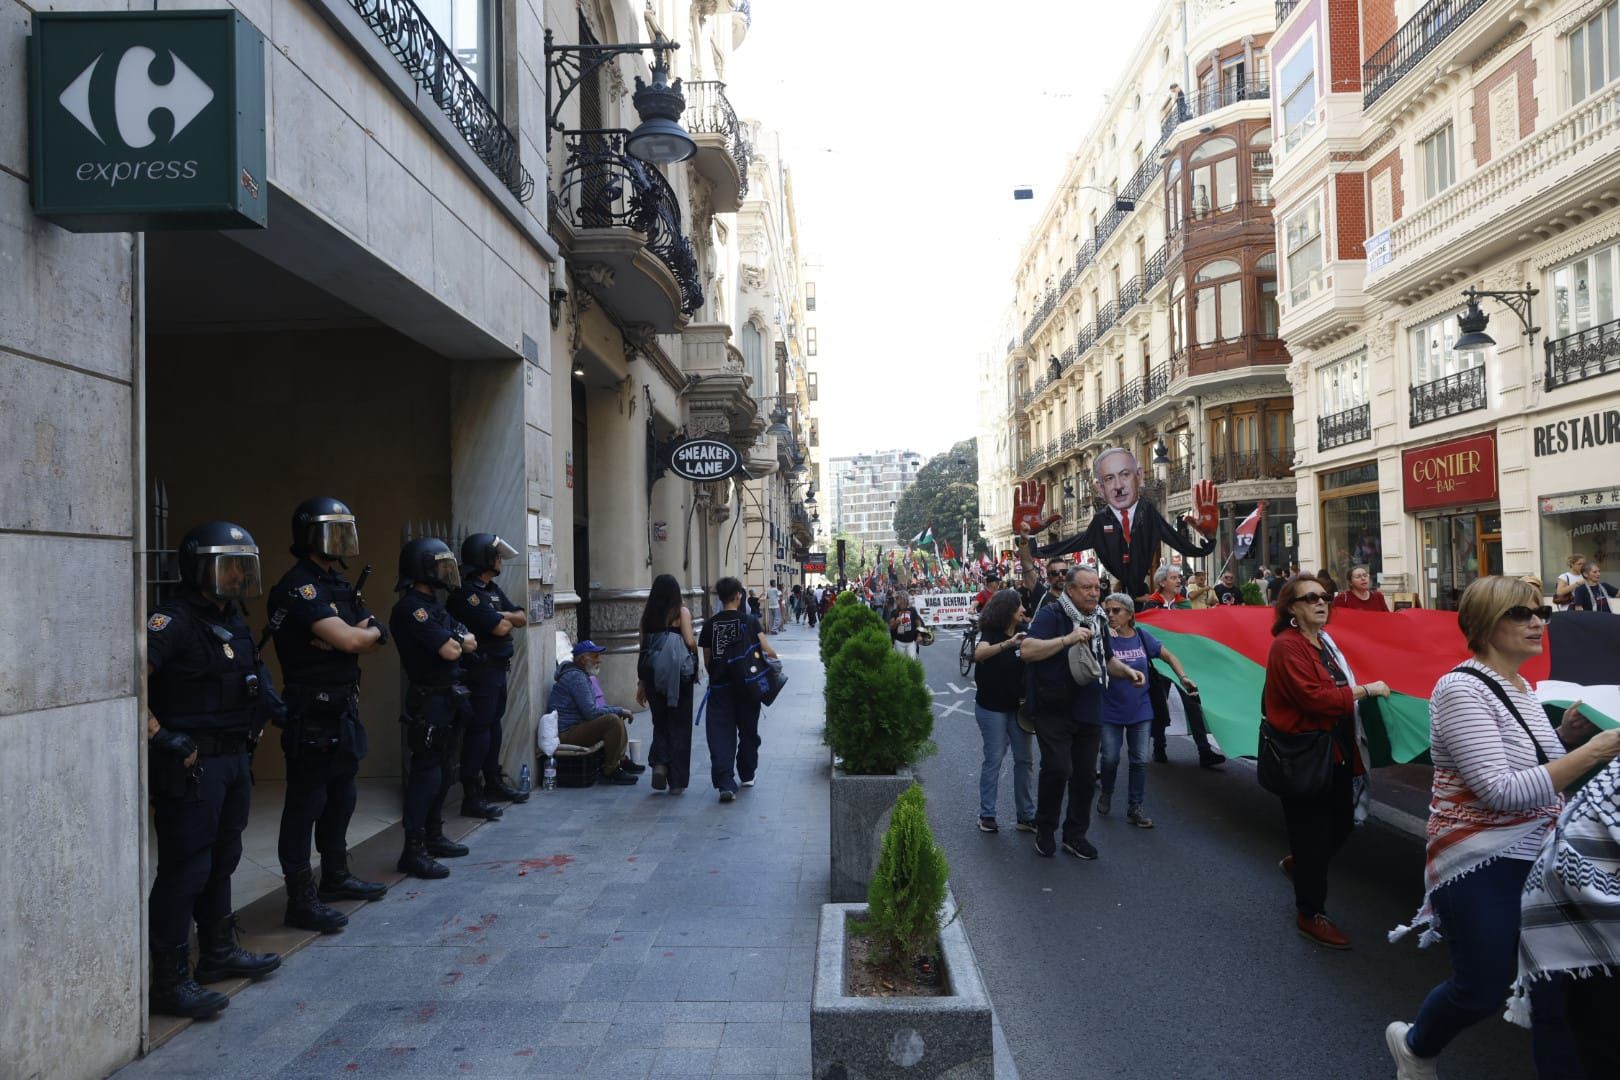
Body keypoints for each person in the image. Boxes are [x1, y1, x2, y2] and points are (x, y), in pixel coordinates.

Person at [1386, 577, 1620, 1079]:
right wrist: (1593, 752)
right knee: (1482, 989)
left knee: (1554, 991)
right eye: (1522, 613)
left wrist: (1563, 737)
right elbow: (1502, 791)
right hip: (1480, 858)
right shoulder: (1459, 689)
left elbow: (1526, 767)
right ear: (1486, 623)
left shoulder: (1522, 687)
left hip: (1543, 858)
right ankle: (1415, 1045)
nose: (1538, 623)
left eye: (1542, 614)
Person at [145, 521, 283, 1018]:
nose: (236, 578)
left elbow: (253, 676)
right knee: (187, 868)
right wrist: (159, 736)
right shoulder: (172, 622)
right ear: (199, 569)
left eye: (243, 569)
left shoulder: (234, 618)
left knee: (224, 857)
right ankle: (168, 981)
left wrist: (277, 711)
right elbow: (130, 681)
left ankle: (218, 953)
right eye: (228, 568)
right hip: (191, 763)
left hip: (231, 759)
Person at [266, 497, 388, 936]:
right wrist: (356, 636)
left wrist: (357, 634)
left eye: (344, 530)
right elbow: (359, 641)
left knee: (342, 798)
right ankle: (300, 899)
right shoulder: (299, 587)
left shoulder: (337, 584)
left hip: (342, 708)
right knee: (305, 805)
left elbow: (371, 633)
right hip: (311, 711)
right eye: (331, 531)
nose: (341, 540)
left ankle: (335, 877)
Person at [1263, 574, 1390, 950]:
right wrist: (1366, 690)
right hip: (1304, 756)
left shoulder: (1325, 643)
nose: (1322, 602)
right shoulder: (1287, 647)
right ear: (1292, 609)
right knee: (1311, 832)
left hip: (1336, 752)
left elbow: (1336, 688)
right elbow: (1315, 698)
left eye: (1325, 597)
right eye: (1311, 598)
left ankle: (1302, 863)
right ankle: (1310, 912)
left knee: (1344, 820)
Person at [1020, 566, 1144, 860]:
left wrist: (1127, 672)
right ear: (1070, 590)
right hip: (1054, 709)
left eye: (1096, 588)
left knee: (1086, 777)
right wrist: (1067, 639)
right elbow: (1027, 650)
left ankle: (1075, 835)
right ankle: (1046, 829)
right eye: (1086, 588)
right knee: (1058, 769)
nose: (1093, 593)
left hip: (1089, 708)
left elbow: (1107, 661)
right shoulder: (1052, 615)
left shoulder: (1100, 620)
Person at [390, 537, 479, 880]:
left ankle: (434, 834)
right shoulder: (412, 608)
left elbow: (469, 641)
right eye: (440, 565)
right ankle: (412, 850)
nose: (447, 571)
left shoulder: (436, 606)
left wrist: (456, 640)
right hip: (429, 700)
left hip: (449, 698)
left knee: (443, 770)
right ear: (422, 569)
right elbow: (453, 650)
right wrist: (456, 640)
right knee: (426, 774)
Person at [1016, 449, 1218, 599]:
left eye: (1125, 474)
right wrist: (1029, 538)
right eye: (1110, 478)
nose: (1119, 486)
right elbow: (1068, 544)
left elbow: (1180, 544)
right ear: (1099, 487)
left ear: (1138, 476)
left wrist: (1208, 539)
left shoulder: (1148, 513)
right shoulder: (1101, 521)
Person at [446, 533, 529, 821]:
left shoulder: (491, 589)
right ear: (483, 558)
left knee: (493, 728)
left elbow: (521, 616)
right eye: (495, 555)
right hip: (479, 671)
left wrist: (500, 613)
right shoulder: (468, 593)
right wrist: (503, 618)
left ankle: (493, 783)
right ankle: (472, 794)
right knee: (479, 731)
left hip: (496, 669)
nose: (499, 560)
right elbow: (499, 629)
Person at [1099, 593, 1189, 828]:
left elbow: (1168, 655)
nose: (1110, 615)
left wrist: (1183, 676)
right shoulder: (1103, 639)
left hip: (1141, 708)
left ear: (1130, 614)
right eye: (1107, 610)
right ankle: (1106, 791)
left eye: (1116, 610)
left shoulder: (1141, 636)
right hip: (1110, 709)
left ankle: (1135, 807)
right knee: (1109, 758)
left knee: (1139, 760)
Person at [700, 577, 778, 802]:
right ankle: (747, 772)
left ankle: (725, 781)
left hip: (720, 688)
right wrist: (773, 659)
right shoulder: (750, 621)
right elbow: (767, 650)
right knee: (748, 731)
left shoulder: (709, 625)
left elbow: (707, 660)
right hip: (748, 688)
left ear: (720, 598)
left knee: (720, 735)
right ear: (738, 596)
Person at [972, 588, 1034, 834]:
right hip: (992, 708)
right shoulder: (991, 633)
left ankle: (1026, 816)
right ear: (1008, 609)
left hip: (1018, 709)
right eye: (1019, 606)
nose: (1023, 610)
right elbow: (979, 654)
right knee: (994, 759)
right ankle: (987, 814)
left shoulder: (1027, 632)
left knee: (1025, 760)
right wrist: (1009, 643)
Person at [636, 574, 697, 795]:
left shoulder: (647, 616)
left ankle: (660, 764)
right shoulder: (680, 612)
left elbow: (643, 648)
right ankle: (677, 781)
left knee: (660, 721)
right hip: (677, 676)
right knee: (679, 724)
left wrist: (641, 683)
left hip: (651, 674)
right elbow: (689, 641)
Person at [548, 641, 639, 785]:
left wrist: (618, 710)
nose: (599, 660)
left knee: (615, 717)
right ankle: (610, 771)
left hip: (575, 726)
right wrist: (619, 710)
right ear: (583, 660)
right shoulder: (576, 678)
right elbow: (591, 713)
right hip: (567, 732)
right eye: (595, 656)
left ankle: (620, 761)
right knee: (612, 721)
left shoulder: (580, 675)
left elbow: (592, 708)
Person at [888, 589, 925, 658]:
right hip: (899, 641)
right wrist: (896, 622)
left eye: (897, 598)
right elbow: (891, 627)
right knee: (900, 662)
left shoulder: (912, 610)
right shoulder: (894, 612)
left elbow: (918, 623)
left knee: (912, 661)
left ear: (903, 598)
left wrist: (919, 635)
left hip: (911, 641)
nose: (896, 600)